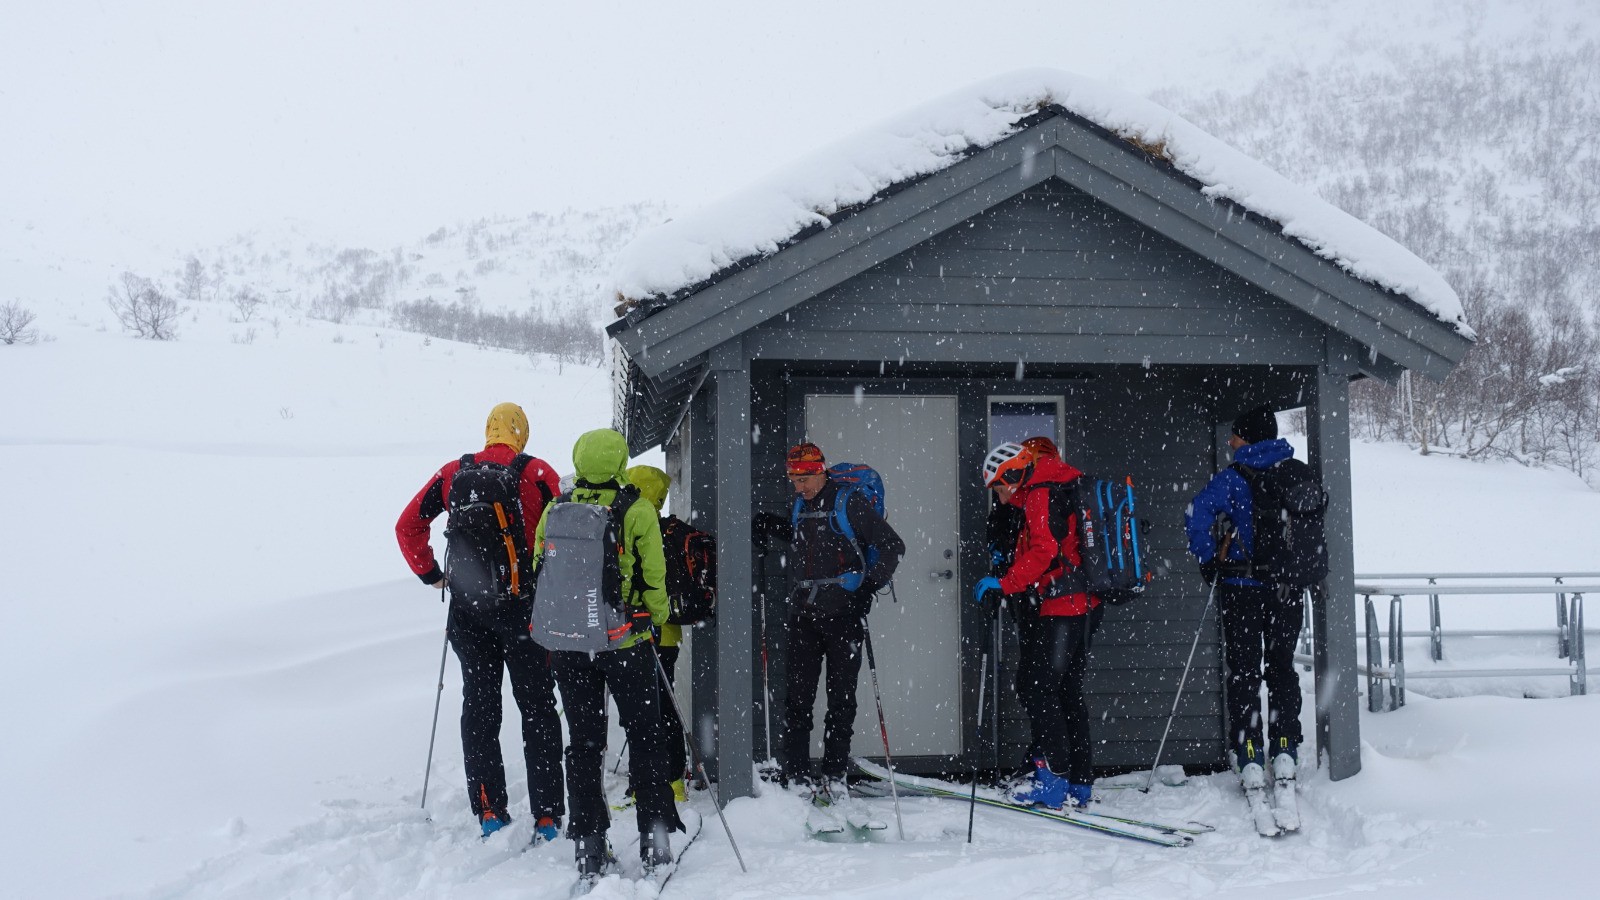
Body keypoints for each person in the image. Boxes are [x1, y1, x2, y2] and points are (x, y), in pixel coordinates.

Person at [394, 402, 564, 841]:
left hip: (468, 612)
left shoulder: (454, 472)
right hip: (525, 611)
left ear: (487, 432)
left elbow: (407, 526)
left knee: (480, 706)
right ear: (521, 434)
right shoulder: (538, 473)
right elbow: (563, 535)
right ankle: (546, 815)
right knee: (538, 708)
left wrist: (432, 575)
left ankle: (489, 808)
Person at [532, 429, 682, 878]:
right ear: (619, 462)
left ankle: (588, 843)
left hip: (571, 644)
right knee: (645, 735)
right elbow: (654, 575)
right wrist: (656, 617)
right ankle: (655, 841)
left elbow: (542, 566)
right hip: (625, 641)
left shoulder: (555, 509)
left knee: (584, 743)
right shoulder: (635, 509)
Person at [753, 442, 905, 795]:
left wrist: (868, 587)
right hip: (804, 614)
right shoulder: (799, 506)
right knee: (798, 699)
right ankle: (797, 775)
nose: (798, 487)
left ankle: (835, 775)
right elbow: (803, 539)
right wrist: (770, 525)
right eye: (794, 479)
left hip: (843, 615)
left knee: (841, 700)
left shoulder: (849, 502)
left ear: (820, 471)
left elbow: (892, 545)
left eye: (804, 480)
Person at [972, 441, 1103, 810]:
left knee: (1037, 688)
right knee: (1066, 692)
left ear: (1014, 476)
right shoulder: (1062, 483)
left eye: (999, 487)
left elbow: (1044, 551)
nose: (999, 497)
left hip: (1064, 605)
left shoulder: (1041, 494)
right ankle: (1080, 781)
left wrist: (1004, 582)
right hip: (1084, 603)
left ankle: (1054, 779)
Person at [1184, 405, 1304, 786]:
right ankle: (1285, 747)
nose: (1230, 440)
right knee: (1282, 668)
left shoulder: (1232, 478)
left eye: (1235, 434)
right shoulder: (1294, 472)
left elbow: (1196, 513)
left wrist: (1207, 558)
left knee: (1245, 672)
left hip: (1242, 589)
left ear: (1248, 437)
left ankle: (1250, 750)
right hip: (1287, 588)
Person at [624, 463, 691, 803]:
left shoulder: (634, 525)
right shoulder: (666, 529)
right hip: (666, 635)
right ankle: (673, 781)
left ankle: (647, 783)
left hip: (639, 633)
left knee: (644, 712)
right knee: (665, 707)